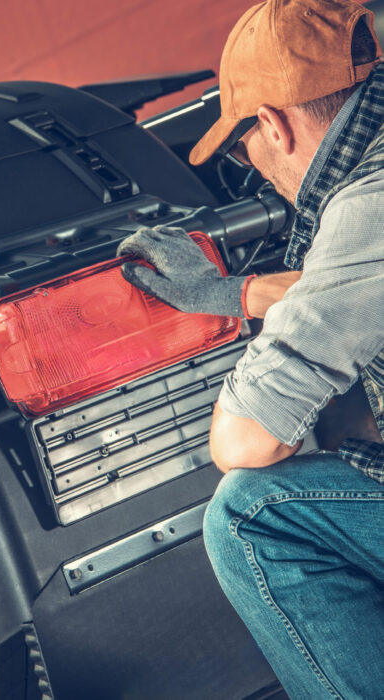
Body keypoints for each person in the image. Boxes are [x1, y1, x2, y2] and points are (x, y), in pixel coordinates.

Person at [117, 0, 384, 697]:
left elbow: (246, 442)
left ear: (273, 122)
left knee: (250, 514)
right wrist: (238, 294)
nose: (255, 169)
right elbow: (354, 283)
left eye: (242, 152)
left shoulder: (368, 203)